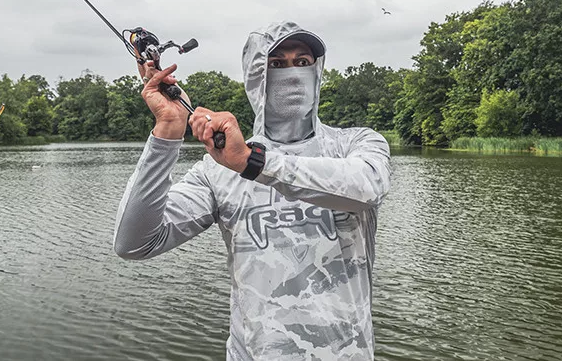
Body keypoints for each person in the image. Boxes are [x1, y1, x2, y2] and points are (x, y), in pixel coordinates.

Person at [113, 21, 392, 360]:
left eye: (302, 62)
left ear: (317, 71)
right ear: (255, 76)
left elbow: (368, 187)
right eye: (276, 63)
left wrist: (253, 162)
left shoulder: (355, 144)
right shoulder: (219, 168)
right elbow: (134, 242)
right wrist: (168, 130)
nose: (293, 74)